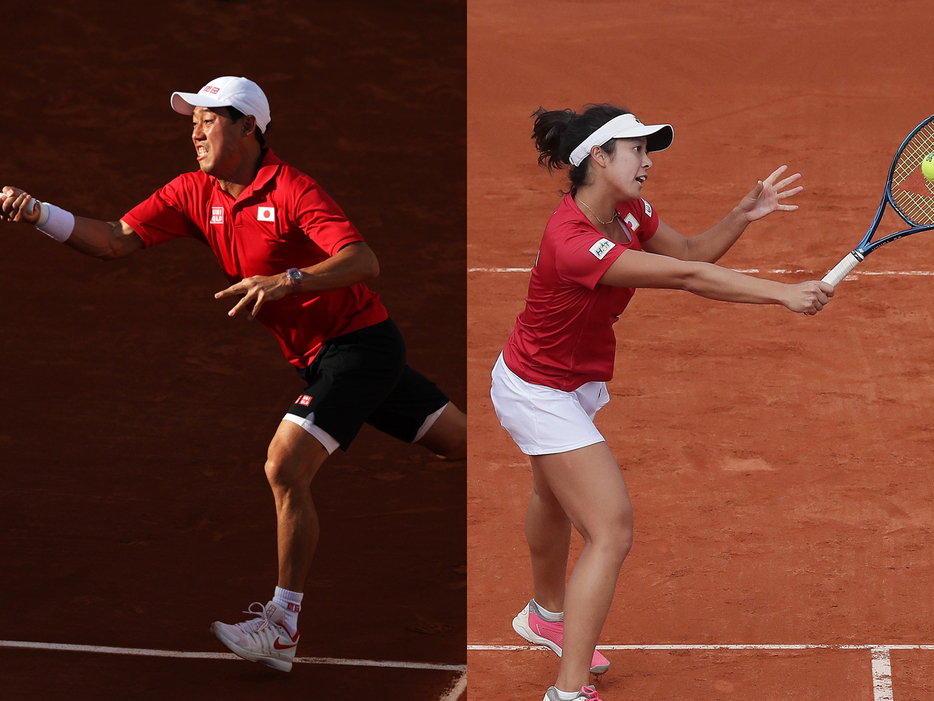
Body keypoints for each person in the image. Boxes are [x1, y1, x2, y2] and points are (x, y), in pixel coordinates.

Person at [1, 75, 466, 673]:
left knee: (284, 465)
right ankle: (545, 463)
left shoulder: (294, 190)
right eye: (191, 121)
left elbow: (362, 260)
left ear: (249, 126)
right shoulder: (195, 192)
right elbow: (115, 240)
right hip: (328, 356)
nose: (194, 132)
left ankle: (281, 625)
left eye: (208, 119)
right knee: (463, 445)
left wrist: (287, 279)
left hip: (359, 348)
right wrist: (41, 214)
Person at [489, 104, 833, 701]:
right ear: (597, 156)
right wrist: (781, 293)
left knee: (551, 492)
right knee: (611, 529)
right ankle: (568, 692)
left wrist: (741, 216)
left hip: (573, 384)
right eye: (636, 150)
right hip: (537, 390)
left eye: (649, 151)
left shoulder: (627, 211)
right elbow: (685, 280)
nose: (647, 163)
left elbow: (691, 256)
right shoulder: (571, 240)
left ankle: (547, 614)